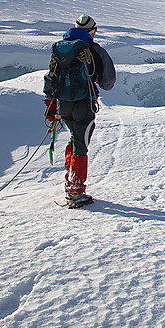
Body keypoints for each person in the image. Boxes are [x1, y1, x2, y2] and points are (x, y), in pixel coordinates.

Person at [44, 15, 116, 207]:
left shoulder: (60, 50)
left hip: (63, 104)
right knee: (81, 144)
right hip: (83, 104)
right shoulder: (94, 50)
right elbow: (108, 82)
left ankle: (70, 181)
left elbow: (50, 77)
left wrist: (50, 105)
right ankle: (76, 190)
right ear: (92, 31)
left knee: (75, 138)